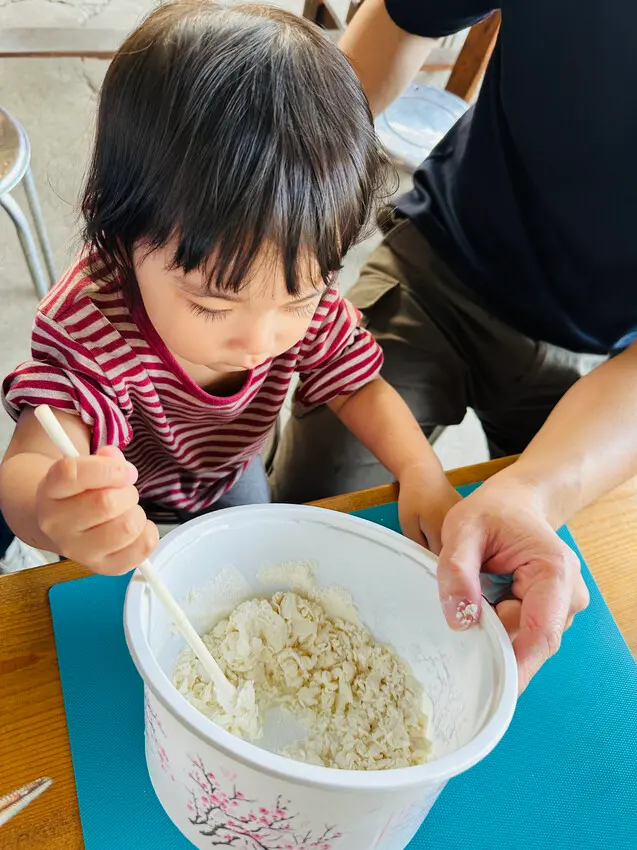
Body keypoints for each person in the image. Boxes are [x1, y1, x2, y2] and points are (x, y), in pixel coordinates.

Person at [0, 1, 461, 578]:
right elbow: (33, 458)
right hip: (123, 506)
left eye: (298, 300)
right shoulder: (89, 322)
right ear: (118, 232)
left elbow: (354, 382)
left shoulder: (297, 281)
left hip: (229, 473)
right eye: (212, 305)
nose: (261, 341)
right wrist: (50, 509)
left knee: (259, 566)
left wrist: (421, 472)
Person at [271, 0, 637, 691]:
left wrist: (532, 493)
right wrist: (283, 196)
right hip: (441, 256)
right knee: (310, 509)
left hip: (602, 371)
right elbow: (402, 18)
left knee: (541, 584)